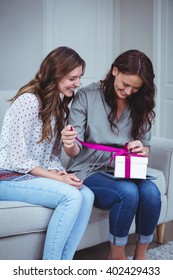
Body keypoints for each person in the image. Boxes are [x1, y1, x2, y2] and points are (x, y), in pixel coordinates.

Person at [61, 49, 161, 260]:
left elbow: (146, 145)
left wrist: (143, 150)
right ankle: (116, 255)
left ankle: (141, 257)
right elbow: (74, 149)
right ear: (115, 71)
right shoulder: (86, 96)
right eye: (125, 85)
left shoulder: (139, 100)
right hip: (89, 169)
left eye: (135, 88)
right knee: (128, 192)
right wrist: (69, 145)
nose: (128, 92)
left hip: (125, 168)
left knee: (151, 192)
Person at [0, 46, 94, 260]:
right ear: (56, 74)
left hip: (28, 176)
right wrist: (58, 180)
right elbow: (17, 159)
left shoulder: (57, 106)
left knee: (86, 195)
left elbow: (50, 156)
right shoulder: (28, 101)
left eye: (79, 77)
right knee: (70, 196)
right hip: (7, 177)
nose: (78, 83)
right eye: (73, 77)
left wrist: (61, 174)